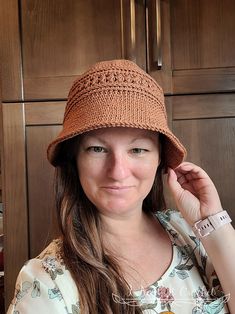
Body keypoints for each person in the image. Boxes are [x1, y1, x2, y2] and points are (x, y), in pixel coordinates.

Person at [7, 59, 235, 314]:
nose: (118, 171)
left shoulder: (193, 232)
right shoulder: (46, 281)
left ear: (159, 159)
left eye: (138, 149)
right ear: (75, 161)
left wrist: (213, 223)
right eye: (97, 149)